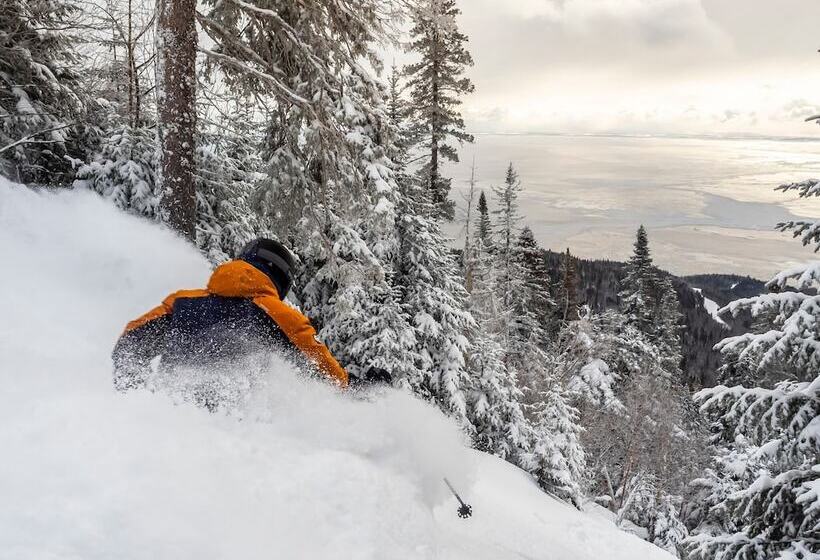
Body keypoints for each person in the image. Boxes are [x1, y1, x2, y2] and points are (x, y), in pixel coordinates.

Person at [112, 238, 349, 391]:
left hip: (172, 418)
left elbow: (132, 340)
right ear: (281, 277)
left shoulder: (182, 301)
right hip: (237, 430)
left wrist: (135, 394)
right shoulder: (277, 313)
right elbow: (323, 370)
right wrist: (357, 387)